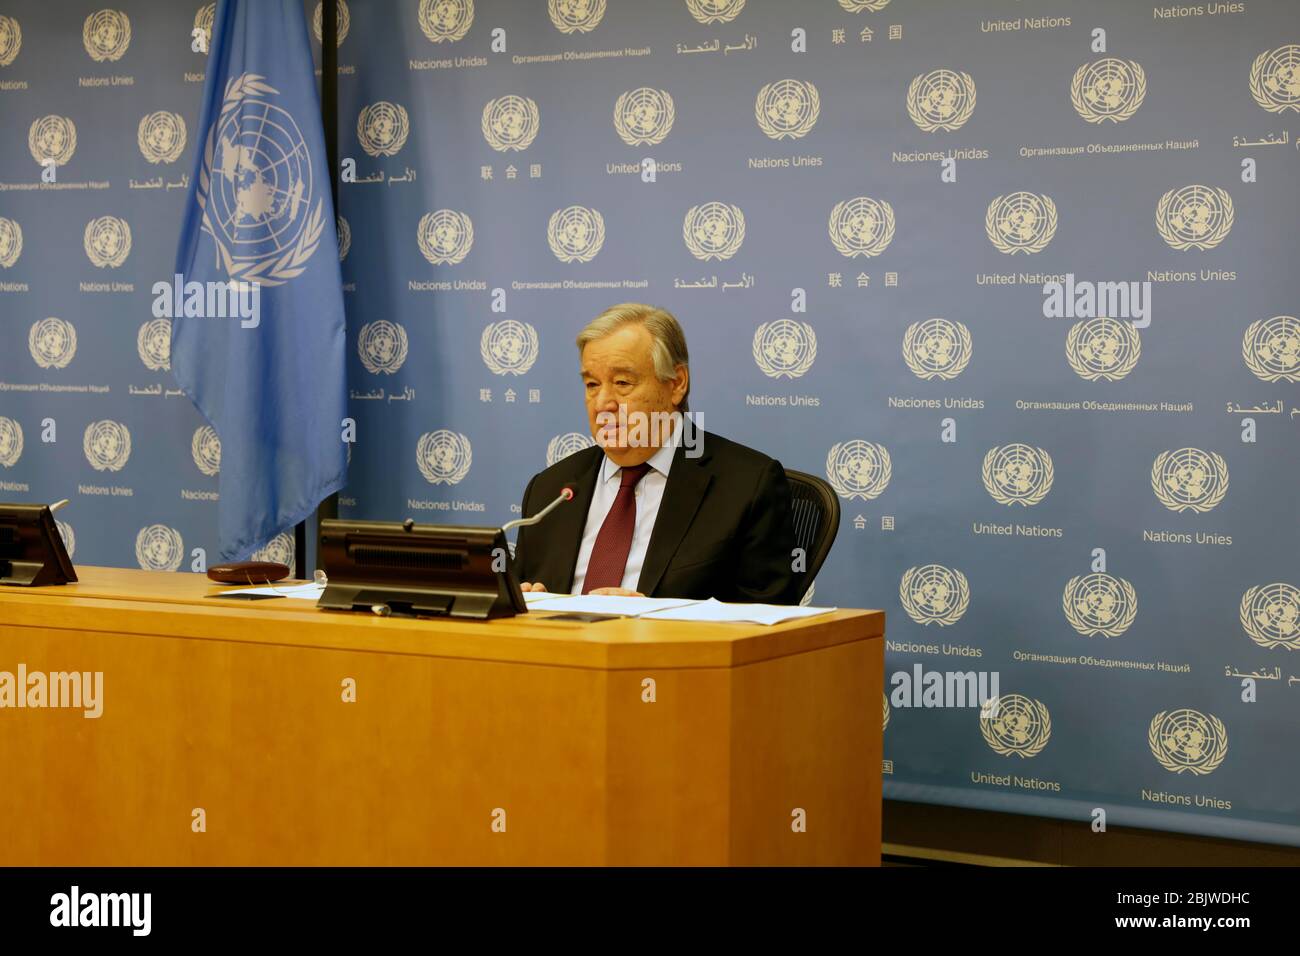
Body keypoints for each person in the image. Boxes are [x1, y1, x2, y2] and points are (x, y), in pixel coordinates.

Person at [514, 303, 800, 604]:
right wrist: (526, 602)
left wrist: (655, 618)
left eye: (622, 383)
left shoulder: (746, 486)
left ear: (676, 384)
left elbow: (769, 621)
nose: (602, 403)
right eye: (592, 384)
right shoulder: (550, 490)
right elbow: (521, 593)